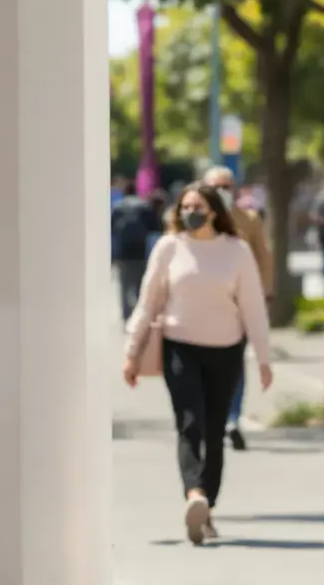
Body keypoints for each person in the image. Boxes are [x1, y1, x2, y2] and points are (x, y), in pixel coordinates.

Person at [122, 182, 274, 545]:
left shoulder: (236, 251)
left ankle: (208, 506)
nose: (191, 212)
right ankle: (195, 494)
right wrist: (131, 351)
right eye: (185, 206)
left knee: (215, 428)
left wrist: (264, 358)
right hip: (180, 347)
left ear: (213, 211)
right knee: (189, 423)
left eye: (198, 206)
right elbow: (148, 302)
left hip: (226, 349)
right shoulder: (169, 248)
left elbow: (253, 306)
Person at [202, 165, 275, 451]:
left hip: (239, 305)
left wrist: (266, 291)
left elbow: (264, 256)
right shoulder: (196, 222)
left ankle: (232, 419)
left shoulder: (250, 220)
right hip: (202, 307)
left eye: (227, 186)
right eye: (216, 186)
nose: (223, 192)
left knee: (234, 363)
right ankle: (212, 416)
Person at [111, 179, 162, 321]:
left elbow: (111, 228)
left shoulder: (117, 206)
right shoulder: (144, 206)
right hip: (141, 251)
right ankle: (140, 314)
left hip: (123, 252)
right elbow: (155, 228)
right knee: (141, 284)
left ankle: (126, 316)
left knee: (124, 285)